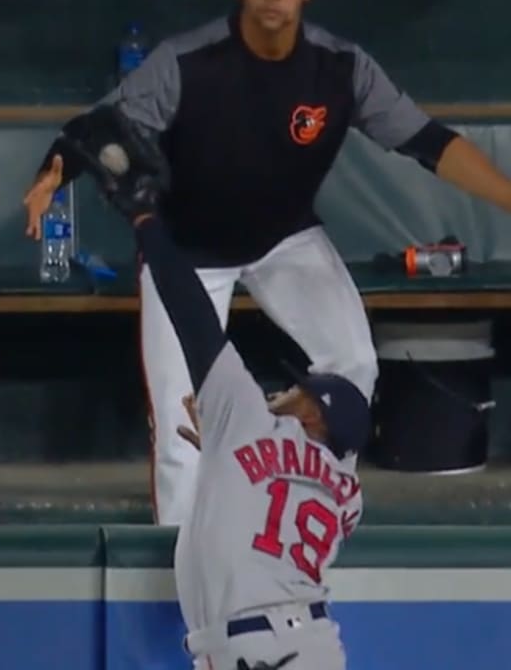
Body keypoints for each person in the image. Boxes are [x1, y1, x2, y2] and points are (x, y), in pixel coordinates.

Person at [23, 0, 511, 526]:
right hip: (188, 251)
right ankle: (185, 565)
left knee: (352, 365)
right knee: (182, 411)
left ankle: (308, 512)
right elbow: (98, 130)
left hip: (283, 239)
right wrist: (52, 174)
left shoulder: (340, 68)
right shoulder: (185, 62)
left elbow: (428, 140)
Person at [133, 198, 367, 670]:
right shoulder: (349, 495)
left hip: (261, 650)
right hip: (298, 643)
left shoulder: (248, 422)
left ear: (314, 419)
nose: (284, 392)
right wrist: (224, 450)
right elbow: (279, 486)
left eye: (300, 393)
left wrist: (147, 225)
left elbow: (194, 318)